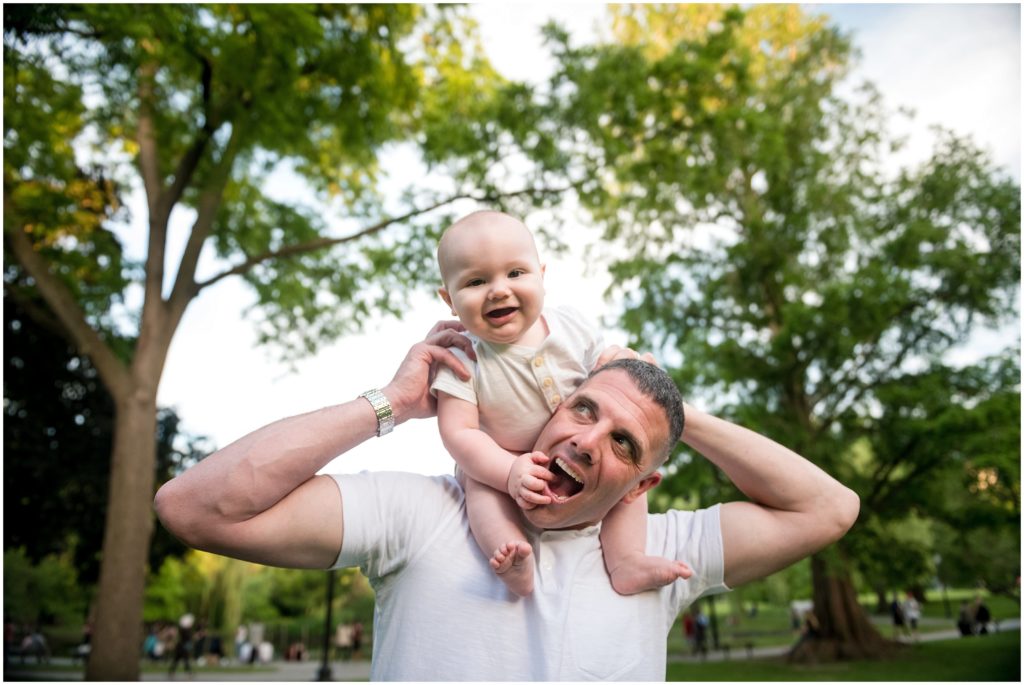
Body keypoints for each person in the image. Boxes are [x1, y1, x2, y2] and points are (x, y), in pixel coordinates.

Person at [154, 321, 860, 680]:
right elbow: (196, 507)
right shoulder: (422, 515)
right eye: (583, 410)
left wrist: (672, 409)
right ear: (551, 411)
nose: (588, 442)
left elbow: (828, 508)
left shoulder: (655, 558)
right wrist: (390, 405)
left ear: (642, 485)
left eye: (624, 445)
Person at [431, 211, 689, 597]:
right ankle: (513, 560)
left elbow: (608, 373)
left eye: (516, 273)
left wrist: (626, 361)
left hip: (581, 453)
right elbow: (459, 432)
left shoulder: (572, 327)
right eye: (476, 281)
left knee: (627, 481)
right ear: (449, 300)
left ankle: (627, 560)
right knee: (481, 493)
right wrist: (507, 471)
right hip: (500, 459)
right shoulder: (464, 358)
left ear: (542, 275)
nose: (498, 290)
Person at [168, 613, 194, 678]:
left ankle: (172, 672)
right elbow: (188, 639)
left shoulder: (182, 629)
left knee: (177, 660)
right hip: (183, 647)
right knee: (184, 660)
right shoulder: (185, 630)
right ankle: (188, 673)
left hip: (180, 647)